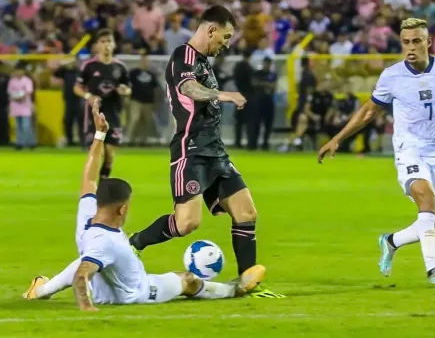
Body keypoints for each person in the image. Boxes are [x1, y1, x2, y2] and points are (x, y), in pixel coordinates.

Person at [22, 102, 266, 311]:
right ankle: (233, 290)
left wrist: (99, 135)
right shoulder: (105, 241)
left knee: (92, 259)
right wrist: (87, 308)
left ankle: (42, 289)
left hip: (114, 274)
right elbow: (81, 276)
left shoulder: (88, 214)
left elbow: (89, 178)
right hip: (137, 293)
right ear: (122, 209)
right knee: (187, 280)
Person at [128, 6, 284, 298]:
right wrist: (223, 95)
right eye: (225, 36)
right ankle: (133, 243)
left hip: (216, 151)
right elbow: (188, 88)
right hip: (191, 150)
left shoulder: (203, 61)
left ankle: (247, 283)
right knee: (187, 222)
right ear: (210, 30)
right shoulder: (183, 57)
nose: (226, 43)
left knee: (246, 212)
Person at [318, 18, 435, 285]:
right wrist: (338, 138)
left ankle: (391, 241)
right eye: (405, 43)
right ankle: (434, 270)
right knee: (427, 203)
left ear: (428, 42)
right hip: (409, 150)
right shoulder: (392, 76)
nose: (410, 47)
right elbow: (369, 111)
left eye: (416, 41)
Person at [73, 29, 131, 180]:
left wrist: (124, 90)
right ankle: (93, 184)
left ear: (114, 44)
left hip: (114, 114)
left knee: (110, 154)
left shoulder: (121, 67)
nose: (106, 45)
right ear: (97, 45)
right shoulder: (88, 66)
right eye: (103, 42)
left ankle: (103, 181)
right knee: (99, 151)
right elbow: (77, 87)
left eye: (109, 41)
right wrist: (88, 96)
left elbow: (128, 88)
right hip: (94, 115)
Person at [127, 50, 159, 145]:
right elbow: (128, 86)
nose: (145, 63)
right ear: (140, 62)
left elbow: (155, 88)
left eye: (146, 61)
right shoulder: (133, 73)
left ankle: (143, 140)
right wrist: (127, 99)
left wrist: (155, 102)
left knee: (147, 122)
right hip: (136, 100)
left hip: (148, 102)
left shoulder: (152, 74)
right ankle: (129, 140)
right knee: (134, 119)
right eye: (143, 61)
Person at [53, 58, 84, 147]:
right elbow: (56, 74)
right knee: (68, 121)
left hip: (79, 99)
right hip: (69, 99)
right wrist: (63, 65)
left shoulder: (79, 72)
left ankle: (82, 140)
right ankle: (69, 139)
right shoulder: (66, 72)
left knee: (81, 121)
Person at [249, 57, 277, 150]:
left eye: (268, 63)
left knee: (268, 124)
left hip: (269, 100)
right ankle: (253, 144)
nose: (267, 65)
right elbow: (254, 83)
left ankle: (265, 144)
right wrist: (267, 84)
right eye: (266, 63)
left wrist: (262, 84)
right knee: (256, 123)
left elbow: (274, 87)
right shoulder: (258, 73)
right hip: (258, 101)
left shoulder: (273, 74)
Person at [7, 62, 36, 150]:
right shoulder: (12, 81)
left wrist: (20, 97)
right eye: (16, 71)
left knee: (26, 125)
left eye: (20, 71)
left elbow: (28, 92)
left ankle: (30, 143)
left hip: (25, 105)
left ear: (23, 71)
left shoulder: (27, 80)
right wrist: (15, 97)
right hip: (15, 106)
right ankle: (19, 143)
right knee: (18, 125)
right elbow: (10, 92)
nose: (18, 73)